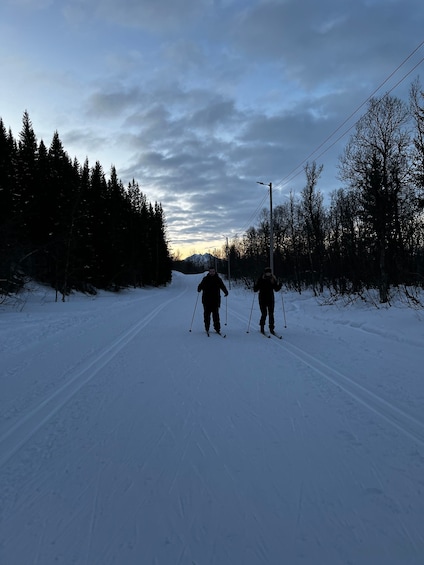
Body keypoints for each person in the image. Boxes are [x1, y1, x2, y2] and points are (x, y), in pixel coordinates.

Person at [197, 267, 228, 334]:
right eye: (210, 271)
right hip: (206, 300)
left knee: (216, 316)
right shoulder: (205, 279)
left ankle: (217, 328)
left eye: (213, 271)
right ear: (209, 272)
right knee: (206, 315)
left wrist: (226, 292)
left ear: (215, 272)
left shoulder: (218, 279)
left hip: (215, 300)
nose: (212, 273)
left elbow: (222, 286)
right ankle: (207, 328)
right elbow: (200, 285)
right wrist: (199, 288)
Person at [253, 266, 282, 334]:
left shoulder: (273, 279)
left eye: (269, 272)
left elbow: (276, 289)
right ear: (265, 273)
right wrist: (255, 285)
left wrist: (279, 286)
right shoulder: (261, 279)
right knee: (264, 313)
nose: (268, 274)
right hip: (262, 298)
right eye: (267, 272)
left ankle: (271, 328)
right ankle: (262, 327)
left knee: (271, 314)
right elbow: (255, 289)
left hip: (270, 298)